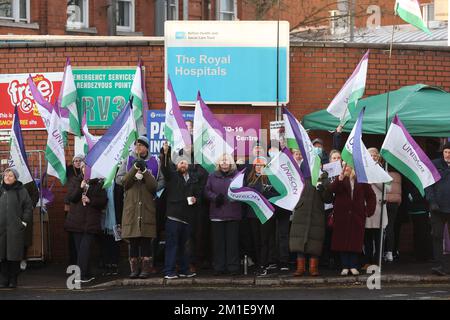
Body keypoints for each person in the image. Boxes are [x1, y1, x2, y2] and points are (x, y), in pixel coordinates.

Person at [116, 136, 160, 279]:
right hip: (131, 207)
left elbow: (156, 186)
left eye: (141, 145)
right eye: (137, 145)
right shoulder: (127, 161)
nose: (138, 148)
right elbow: (121, 181)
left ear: (147, 148)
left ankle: (146, 269)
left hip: (147, 206)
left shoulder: (155, 162)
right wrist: (134, 170)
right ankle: (134, 270)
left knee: (146, 240)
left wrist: (146, 173)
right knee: (133, 240)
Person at [160, 143, 201, 279]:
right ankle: (169, 271)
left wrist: (196, 199)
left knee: (185, 247)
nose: (183, 164)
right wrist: (165, 153)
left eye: (185, 162)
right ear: (176, 165)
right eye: (180, 163)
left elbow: (199, 195)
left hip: (187, 218)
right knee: (172, 246)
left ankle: (184, 269)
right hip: (173, 217)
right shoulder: (172, 176)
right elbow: (165, 168)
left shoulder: (193, 179)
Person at [329, 164, 376, 276]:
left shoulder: (362, 180)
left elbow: (371, 196)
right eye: (345, 166)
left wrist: (368, 211)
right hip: (342, 215)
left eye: (349, 166)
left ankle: (354, 265)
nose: (347, 168)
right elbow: (332, 189)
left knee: (355, 240)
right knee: (342, 240)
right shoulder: (340, 179)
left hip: (357, 215)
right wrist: (339, 179)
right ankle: (345, 266)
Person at [64, 162, 107, 283]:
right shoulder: (75, 181)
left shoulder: (99, 183)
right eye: (84, 168)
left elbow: (103, 201)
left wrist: (90, 200)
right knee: (80, 250)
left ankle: (79, 276)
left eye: (88, 168)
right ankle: (86, 274)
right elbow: (70, 198)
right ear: (81, 169)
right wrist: (80, 188)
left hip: (90, 222)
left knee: (85, 249)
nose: (85, 170)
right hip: (76, 221)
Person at [290, 166, 332, 277]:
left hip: (316, 212)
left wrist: (323, 188)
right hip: (301, 212)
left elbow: (328, 199)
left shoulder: (324, 178)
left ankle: (313, 268)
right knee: (299, 239)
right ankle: (300, 268)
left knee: (315, 240)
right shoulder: (300, 176)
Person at [205, 154, 242, 275]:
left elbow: (243, 189)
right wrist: (215, 198)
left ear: (231, 163)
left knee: (232, 243)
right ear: (218, 163)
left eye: (227, 161)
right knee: (218, 243)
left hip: (233, 213)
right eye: (222, 161)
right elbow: (206, 191)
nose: (224, 163)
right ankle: (219, 267)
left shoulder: (238, 175)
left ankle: (233, 267)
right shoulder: (212, 176)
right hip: (217, 214)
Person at [245, 156, 278, 277]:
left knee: (265, 240)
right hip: (253, 214)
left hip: (266, 214)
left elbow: (276, 194)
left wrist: (267, 192)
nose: (259, 167)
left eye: (262, 165)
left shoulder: (271, 179)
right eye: (257, 165)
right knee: (256, 240)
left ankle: (263, 265)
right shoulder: (250, 178)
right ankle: (260, 263)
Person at [0, 168, 33, 288]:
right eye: (5, 175)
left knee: (14, 256)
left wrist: (23, 222)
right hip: (1, 229)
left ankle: (13, 279)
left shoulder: (21, 191)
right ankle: (3, 279)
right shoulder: (0, 189)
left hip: (15, 229)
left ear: (15, 178)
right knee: (2, 255)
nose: (7, 177)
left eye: (10, 176)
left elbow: (28, 207)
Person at [362, 148, 390, 271]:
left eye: (374, 155)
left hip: (379, 209)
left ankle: (377, 262)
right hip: (366, 208)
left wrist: (374, 178)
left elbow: (388, 189)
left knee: (378, 239)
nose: (373, 157)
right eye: (370, 155)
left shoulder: (382, 171)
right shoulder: (362, 170)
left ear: (378, 157)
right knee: (367, 238)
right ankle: (367, 261)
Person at [425, 142, 450, 276]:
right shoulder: (434, 164)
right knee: (437, 236)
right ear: (443, 152)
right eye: (446, 152)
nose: (448, 155)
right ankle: (439, 265)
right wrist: (432, 201)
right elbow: (428, 184)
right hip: (437, 208)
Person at [404, 178, 433, 262]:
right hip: (422, 210)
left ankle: (419, 255)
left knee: (417, 233)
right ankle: (425, 255)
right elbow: (425, 196)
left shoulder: (411, 182)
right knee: (423, 233)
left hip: (414, 210)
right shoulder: (423, 182)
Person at [64, 154, 84, 266]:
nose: (77, 162)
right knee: (72, 236)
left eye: (79, 160)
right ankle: (73, 260)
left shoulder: (86, 173)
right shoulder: (69, 171)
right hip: (70, 208)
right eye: (75, 161)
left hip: (83, 209)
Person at [384, 170, 402, 263]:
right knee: (390, 227)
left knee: (382, 228)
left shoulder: (382, 172)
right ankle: (390, 252)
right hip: (395, 203)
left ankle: (381, 251)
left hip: (384, 202)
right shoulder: (398, 175)